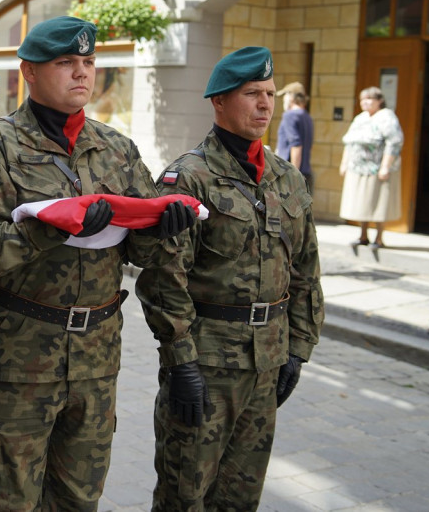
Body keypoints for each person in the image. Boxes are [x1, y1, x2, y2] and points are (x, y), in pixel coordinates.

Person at [0, 16, 193, 511]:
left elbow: (141, 252)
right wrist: (47, 227)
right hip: (17, 357)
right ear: (29, 73)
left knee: (80, 500)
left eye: (88, 62)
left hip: (96, 361)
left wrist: (162, 233)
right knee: (11, 501)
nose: (81, 72)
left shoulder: (117, 150)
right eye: (65, 63)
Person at [135, 46, 323, 512]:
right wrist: (181, 363)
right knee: (185, 493)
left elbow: (306, 268)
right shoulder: (188, 178)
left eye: (270, 94)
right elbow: (163, 279)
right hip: (207, 364)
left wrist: (298, 348)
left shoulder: (286, 179)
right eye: (251, 94)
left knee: (242, 495)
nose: (264, 105)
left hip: (267, 361)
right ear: (219, 101)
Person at [339, 85, 404, 251]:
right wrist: (344, 163)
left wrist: (385, 166)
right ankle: (363, 235)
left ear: (379, 101)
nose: (365, 103)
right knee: (362, 202)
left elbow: (394, 143)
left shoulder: (387, 117)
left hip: (377, 168)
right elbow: (349, 141)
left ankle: (379, 237)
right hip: (358, 167)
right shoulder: (360, 118)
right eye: (362, 99)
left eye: (369, 99)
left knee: (379, 201)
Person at [275, 81, 314, 193]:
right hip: (305, 172)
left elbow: (296, 145)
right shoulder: (307, 116)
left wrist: (293, 175)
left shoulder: (290, 115)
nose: (283, 99)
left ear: (291, 97)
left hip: (290, 173)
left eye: (285, 95)